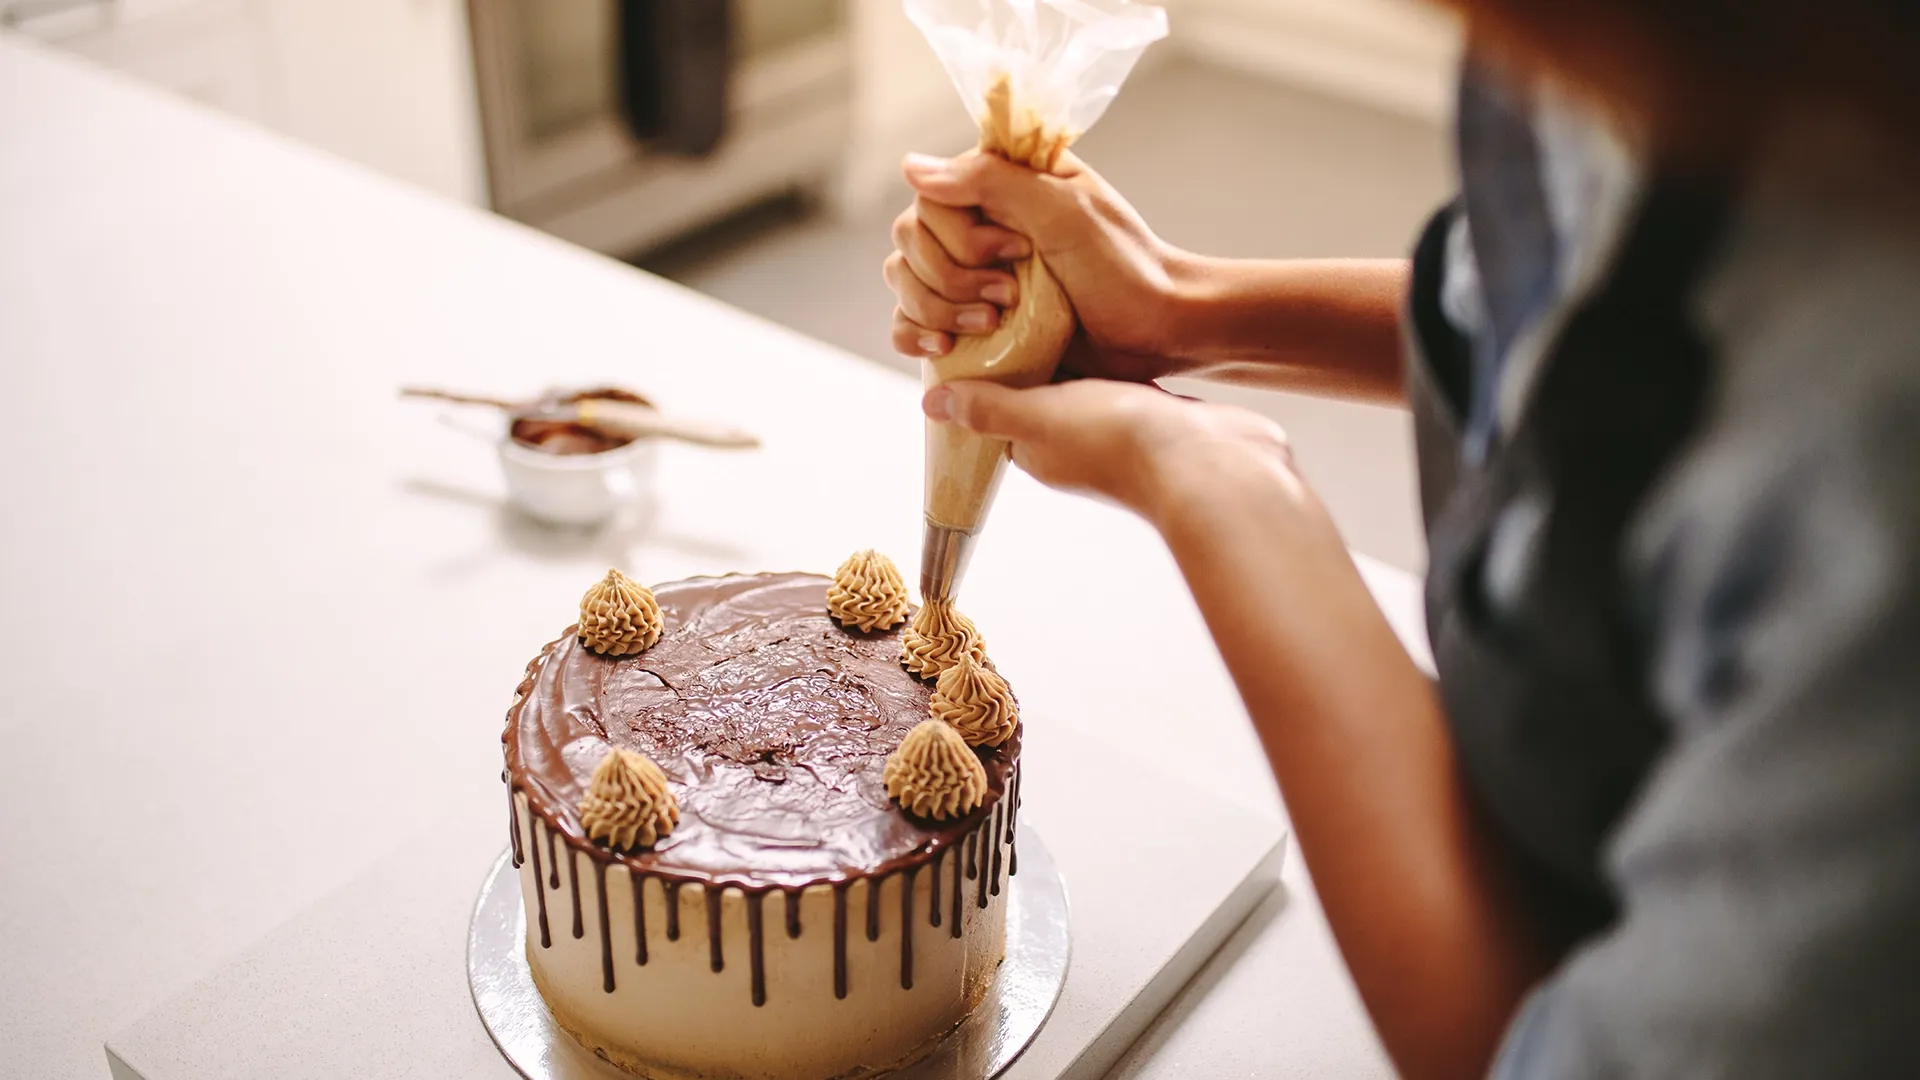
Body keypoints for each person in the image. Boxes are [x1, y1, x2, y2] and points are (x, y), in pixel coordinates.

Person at [883, 2, 1920, 1078]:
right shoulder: (1595, 65)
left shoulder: (1880, 456)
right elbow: (1522, 318)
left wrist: (1223, 487)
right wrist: (1181, 305)